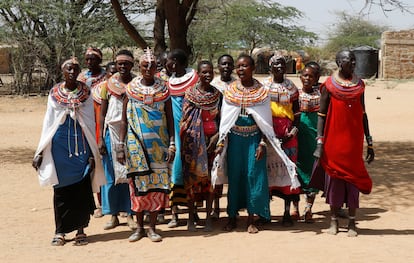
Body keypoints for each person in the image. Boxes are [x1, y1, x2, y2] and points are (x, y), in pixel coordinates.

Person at [214, 54, 297, 234]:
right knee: (235, 178)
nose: (241, 69)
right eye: (239, 66)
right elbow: (225, 119)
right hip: (235, 139)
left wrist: (262, 143)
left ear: (253, 68)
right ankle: (232, 216)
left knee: (254, 177)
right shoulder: (230, 90)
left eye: (245, 66)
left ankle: (252, 217)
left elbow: (265, 122)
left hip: (254, 140)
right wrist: (222, 142)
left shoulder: (261, 91)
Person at [32, 57, 105, 246]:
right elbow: (49, 122)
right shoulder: (54, 93)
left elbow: (90, 122)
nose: (72, 72)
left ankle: (81, 230)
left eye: (75, 69)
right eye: (68, 69)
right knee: (61, 190)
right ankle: (60, 231)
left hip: (82, 145)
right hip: (60, 147)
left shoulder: (86, 93)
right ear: (62, 72)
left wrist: (91, 152)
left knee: (82, 189)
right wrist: (41, 150)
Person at [313, 50, 375, 237]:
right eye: (350, 60)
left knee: (354, 179)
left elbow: (363, 114)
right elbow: (321, 116)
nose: (354, 63)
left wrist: (369, 141)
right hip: (333, 141)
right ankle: (333, 221)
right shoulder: (329, 86)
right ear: (340, 62)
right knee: (335, 179)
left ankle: (352, 223)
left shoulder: (360, 85)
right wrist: (319, 142)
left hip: (354, 142)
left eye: (355, 60)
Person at [117, 47, 175, 242]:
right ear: (139, 67)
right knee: (138, 185)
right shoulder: (131, 89)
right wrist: (120, 145)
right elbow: (124, 119)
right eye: (144, 66)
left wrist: (173, 143)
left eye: (152, 66)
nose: (148, 69)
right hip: (135, 144)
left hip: (158, 145)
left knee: (156, 186)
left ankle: (152, 228)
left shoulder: (164, 89)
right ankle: (139, 227)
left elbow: (170, 118)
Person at [180, 60, 221, 231]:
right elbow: (185, 121)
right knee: (192, 182)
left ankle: (209, 218)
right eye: (204, 72)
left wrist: (217, 137)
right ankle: (191, 217)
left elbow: (222, 120)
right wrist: (199, 139)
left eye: (210, 72)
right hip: (194, 144)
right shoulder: (190, 95)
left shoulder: (218, 95)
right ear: (198, 73)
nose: (208, 75)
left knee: (211, 181)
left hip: (213, 143)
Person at [99, 50, 136, 231]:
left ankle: (130, 213)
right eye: (119, 63)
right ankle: (113, 214)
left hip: (132, 131)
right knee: (111, 174)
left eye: (126, 64)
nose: (122, 67)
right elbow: (103, 112)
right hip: (111, 132)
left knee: (130, 173)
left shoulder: (136, 84)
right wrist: (100, 138)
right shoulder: (108, 85)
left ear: (132, 65)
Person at [264, 53, 301, 226]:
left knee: (288, 171)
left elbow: (297, 113)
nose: (279, 67)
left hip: (287, 133)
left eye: (282, 64)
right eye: (275, 64)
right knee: (267, 173)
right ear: (269, 67)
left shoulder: (291, 87)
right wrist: (267, 133)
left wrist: (292, 132)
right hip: (268, 133)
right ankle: (266, 213)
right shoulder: (264, 86)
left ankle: (287, 212)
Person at [165, 49, 199, 228]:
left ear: (175, 62)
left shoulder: (194, 78)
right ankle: (175, 213)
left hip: (191, 129)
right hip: (173, 130)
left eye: (168, 61)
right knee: (175, 168)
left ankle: (193, 213)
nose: (166, 64)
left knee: (191, 168)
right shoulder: (167, 81)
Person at [77, 48, 107, 218]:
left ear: (99, 60)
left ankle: (107, 202)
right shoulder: (82, 78)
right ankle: (95, 203)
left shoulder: (108, 77)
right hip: (86, 125)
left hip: (102, 123)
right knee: (91, 163)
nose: (89, 62)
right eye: (87, 59)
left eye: (93, 59)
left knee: (105, 162)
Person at [210, 54, 235, 219]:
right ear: (218, 66)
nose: (226, 66)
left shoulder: (237, 84)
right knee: (216, 169)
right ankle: (215, 207)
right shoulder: (213, 85)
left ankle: (232, 207)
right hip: (216, 132)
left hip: (236, 132)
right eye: (223, 63)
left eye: (229, 64)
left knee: (232, 170)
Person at [296, 65, 320, 222]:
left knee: (312, 172)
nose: (307, 79)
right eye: (305, 75)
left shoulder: (320, 95)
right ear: (300, 77)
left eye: (311, 76)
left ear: (316, 79)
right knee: (295, 172)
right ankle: (294, 209)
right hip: (296, 138)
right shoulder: (294, 95)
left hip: (313, 139)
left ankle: (308, 208)